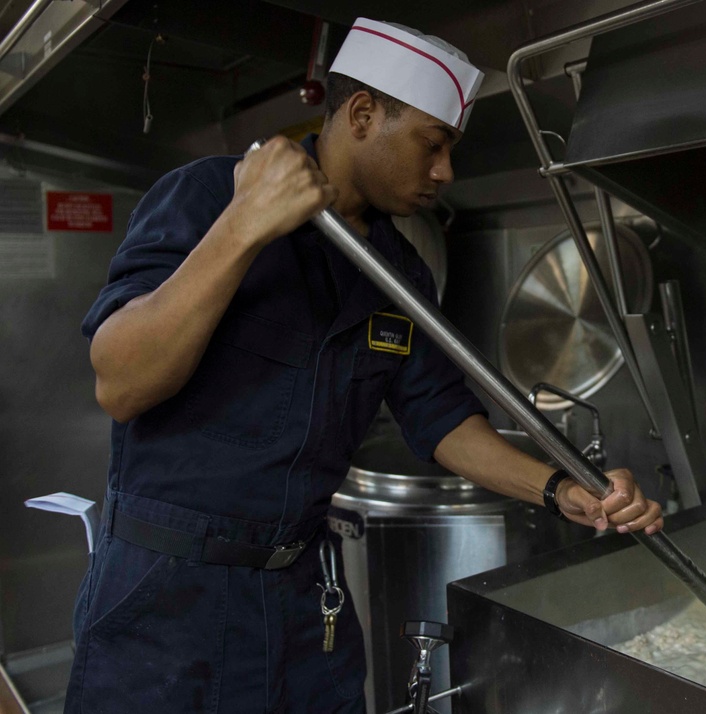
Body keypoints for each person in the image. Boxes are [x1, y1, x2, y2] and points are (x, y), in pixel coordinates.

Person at [66, 18, 663, 713]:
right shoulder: (207, 197)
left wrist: (564, 490)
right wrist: (243, 224)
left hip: (301, 602)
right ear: (361, 115)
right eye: (432, 145)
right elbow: (122, 382)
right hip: (167, 602)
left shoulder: (398, 274)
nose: (444, 171)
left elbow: (442, 420)